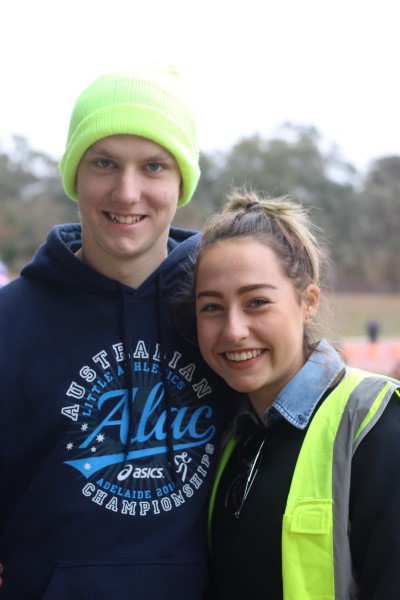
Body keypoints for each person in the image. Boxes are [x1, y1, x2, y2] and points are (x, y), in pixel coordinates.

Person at [0, 63, 230, 599]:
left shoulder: (222, 317)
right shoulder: (9, 323)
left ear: (181, 182)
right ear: (75, 176)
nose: (127, 193)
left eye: (153, 167)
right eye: (104, 163)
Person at [186, 188, 400, 599]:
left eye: (257, 302)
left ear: (308, 302)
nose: (233, 330)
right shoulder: (229, 434)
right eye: (211, 307)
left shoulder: (374, 426)